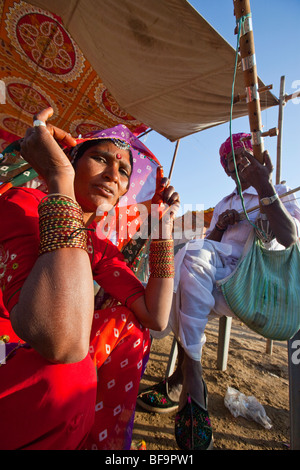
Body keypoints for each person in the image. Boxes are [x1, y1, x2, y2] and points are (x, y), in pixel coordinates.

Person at [0, 107, 180, 450]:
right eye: (100, 158)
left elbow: (155, 315)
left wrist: (164, 230)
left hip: (41, 351)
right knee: (68, 374)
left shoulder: (96, 243)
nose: (114, 175)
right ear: (70, 161)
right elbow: (58, 340)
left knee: (129, 323)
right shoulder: (22, 203)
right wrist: (57, 177)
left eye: (124, 170)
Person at [137, 132, 300, 450]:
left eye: (240, 156)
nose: (233, 164)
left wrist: (265, 186)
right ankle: (182, 377)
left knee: (191, 256)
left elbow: (290, 236)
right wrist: (221, 227)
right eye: (227, 160)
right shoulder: (227, 200)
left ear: (253, 157)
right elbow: (210, 243)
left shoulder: (278, 191)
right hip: (222, 284)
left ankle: (189, 377)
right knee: (175, 279)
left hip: (257, 283)